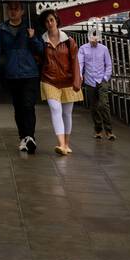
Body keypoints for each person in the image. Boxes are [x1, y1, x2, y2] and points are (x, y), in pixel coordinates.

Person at [0, 1, 43, 154]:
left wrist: (33, 38)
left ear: (22, 12)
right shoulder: (1, 29)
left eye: (16, 9)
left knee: (28, 105)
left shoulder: (30, 28)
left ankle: (30, 137)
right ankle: (23, 137)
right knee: (18, 108)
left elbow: (41, 49)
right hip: (12, 73)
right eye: (10, 9)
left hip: (30, 73)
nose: (12, 12)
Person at [39, 9, 83, 156]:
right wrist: (32, 38)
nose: (49, 23)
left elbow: (75, 61)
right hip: (49, 80)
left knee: (67, 113)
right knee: (55, 109)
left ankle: (67, 143)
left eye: (51, 20)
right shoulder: (41, 41)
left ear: (57, 21)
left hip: (68, 80)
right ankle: (61, 144)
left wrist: (77, 79)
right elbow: (38, 58)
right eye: (46, 21)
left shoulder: (69, 41)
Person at [78, 25, 115, 142]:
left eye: (96, 39)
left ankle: (109, 130)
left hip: (102, 80)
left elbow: (108, 64)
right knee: (94, 106)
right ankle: (98, 130)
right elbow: (80, 63)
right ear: (89, 38)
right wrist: (79, 75)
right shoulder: (83, 48)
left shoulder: (104, 49)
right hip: (89, 81)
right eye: (92, 38)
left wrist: (105, 77)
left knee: (103, 104)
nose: (94, 40)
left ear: (99, 38)